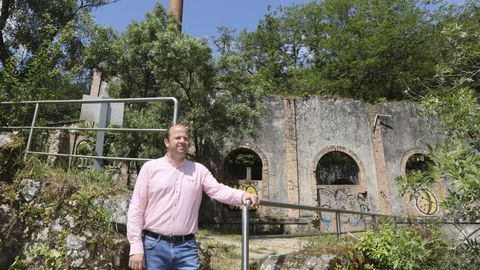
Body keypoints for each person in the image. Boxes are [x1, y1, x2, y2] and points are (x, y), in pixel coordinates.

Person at [127, 124, 259, 270]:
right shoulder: (150, 169)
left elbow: (218, 190)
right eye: (177, 137)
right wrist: (135, 246)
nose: (182, 141)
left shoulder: (199, 170)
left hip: (186, 248)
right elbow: (136, 208)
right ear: (167, 142)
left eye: (185, 138)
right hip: (154, 247)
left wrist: (242, 195)